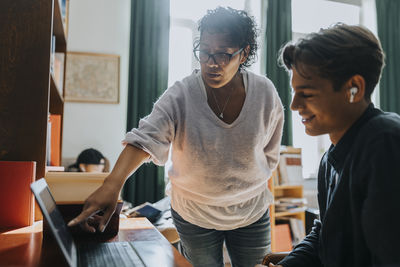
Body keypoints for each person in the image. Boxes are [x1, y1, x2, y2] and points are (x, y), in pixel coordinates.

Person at [68, 7, 284, 267]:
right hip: (194, 215)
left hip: (251, 212)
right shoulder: (182, 94)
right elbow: (145, 138)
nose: (211, 63)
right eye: (204, 52)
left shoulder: (265, 93)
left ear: (244, 53)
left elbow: (270, 154)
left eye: (223, 54)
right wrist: (112, 185)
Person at [268, 24, 400, 267]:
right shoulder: (330, 158)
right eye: (294, 92)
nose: (294, 105)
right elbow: (324, 235)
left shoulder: (384, 143)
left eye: (306, 93)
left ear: (354, 89)